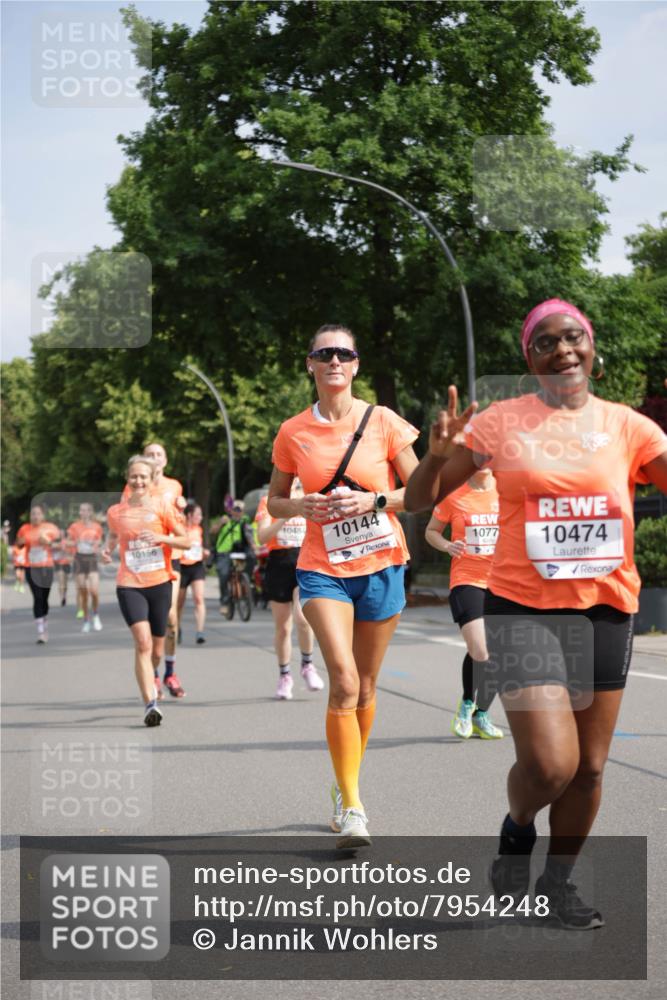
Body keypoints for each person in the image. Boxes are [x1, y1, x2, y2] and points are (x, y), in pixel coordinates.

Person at [405, 298, 667, 928]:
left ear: (591, 346)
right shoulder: (500, 423)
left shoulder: (629, 427)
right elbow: (419, 501)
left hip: (607, 608)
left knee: (591, 768)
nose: (562, 349)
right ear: (531, 358)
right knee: (553, 763)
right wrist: (438, 455)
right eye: (545, 342)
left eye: (572, 336)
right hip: (521, 608)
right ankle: (518, 828)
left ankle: (557, 884)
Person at [268, 324, 419, 849]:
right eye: (323, 353)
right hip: (322, 566)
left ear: (356, 364)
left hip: (381, 563)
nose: (334, 360)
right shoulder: (292, 432)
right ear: (309, 363)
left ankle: (343, 782)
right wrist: (300, 506)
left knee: (369, 687)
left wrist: (374, 502)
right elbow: (274, 502)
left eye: (343, 353)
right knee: (345, 680)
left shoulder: (384, 422)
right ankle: (354, 807)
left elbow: (418, 493)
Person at [103, 455, 189, 726]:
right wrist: (107, 550)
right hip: (129, 584)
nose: (138, 481)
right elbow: (114, 535)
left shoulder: (162, 507)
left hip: (160, 582)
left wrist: (162, 537)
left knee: (156, 649)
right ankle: (149, 703)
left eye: (143, 476)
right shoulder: (116, 512)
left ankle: (157, 673)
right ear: (127, 479)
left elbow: (185, 540)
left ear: (151, 480)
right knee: (142, 642)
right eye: (134, 476)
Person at [425, 468, 504, 739]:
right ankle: (467, 703)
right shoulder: (453, 495)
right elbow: (431, 531)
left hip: (503, 582)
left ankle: (482, 714)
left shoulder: (508, 490)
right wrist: (447, 545)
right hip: (467, 579)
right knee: (480, 649)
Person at [122, 442, 187, 698]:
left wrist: (180, 510)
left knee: (171, 617)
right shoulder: (134, 486)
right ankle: (155, 674)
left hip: (172, 557)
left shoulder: (174, 486)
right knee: (149, 626)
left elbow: (179, 525)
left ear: (166, 460)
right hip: (146, 562)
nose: (155, 458)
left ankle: (170, 671)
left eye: (159, 454)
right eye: (150, 454)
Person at [255, 481, 325, 699]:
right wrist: (285, 516)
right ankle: (285, 676)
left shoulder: (310, 496)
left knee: (302, 618)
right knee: (283, 628)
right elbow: (263, 536)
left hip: (305, 560)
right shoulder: (269, 501)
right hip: (279, 563)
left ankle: (307, 664)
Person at [15, 505, 61, 643]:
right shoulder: (24, 529)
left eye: (38, 514)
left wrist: (49, 542)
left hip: (46, 567)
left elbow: (60, 545)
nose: (35, 516)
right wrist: (20, 542)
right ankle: (41, 631)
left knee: (44, 598)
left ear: (43, 515)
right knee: (37, 597)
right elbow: (18, 545)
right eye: (32, 514)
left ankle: (44, 621)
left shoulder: (50, 528)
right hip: (31, 567)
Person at [212, 500, 256, 615]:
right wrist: (220, 523)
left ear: (242, 512)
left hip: (240, 553)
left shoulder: (245, 522)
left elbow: (251, 539)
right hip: (224, 552)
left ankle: (245, 583)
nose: (237, 512)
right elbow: (213, 531)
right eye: (235, 509)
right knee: (223, 574)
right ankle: (225, 602)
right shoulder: (225, 521)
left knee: (251, 560)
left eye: (239, 510)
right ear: (231, 510)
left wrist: (255, 548)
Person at [67, 503, 104, 633]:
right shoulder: (74, 527)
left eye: (87, 510)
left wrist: (97, 545)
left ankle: (96, 615)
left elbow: (99, 542)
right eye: (81, 510)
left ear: (91, 512)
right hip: (79, 559)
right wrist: (76, 542)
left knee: (94, 591)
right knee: (83, 592)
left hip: (92, 559)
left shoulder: (97, 527)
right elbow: (67, 542)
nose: (84, 512)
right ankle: (86, 620)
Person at [177, 501, 210, 645]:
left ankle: (200, 632)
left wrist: (204, 552)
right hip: (182, 567)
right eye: (198, 514)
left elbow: (198, 547)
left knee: (199, 598)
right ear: (189, 515)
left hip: (196, 566)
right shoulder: (179, 529)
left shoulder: (199, 529)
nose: (201, 517)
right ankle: (177, 628)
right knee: (179, 602)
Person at [53, 533, 72, 607]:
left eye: (63, 534)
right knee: (61, 581)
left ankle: (64, 595)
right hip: (58, 564)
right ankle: (62, 598)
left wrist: (68, 555)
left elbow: (71, 555)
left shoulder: (69, 544)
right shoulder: (54, 543)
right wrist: (60, 546)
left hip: (67, 564)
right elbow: (51, 548)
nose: (61, 535)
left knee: (65, 583)